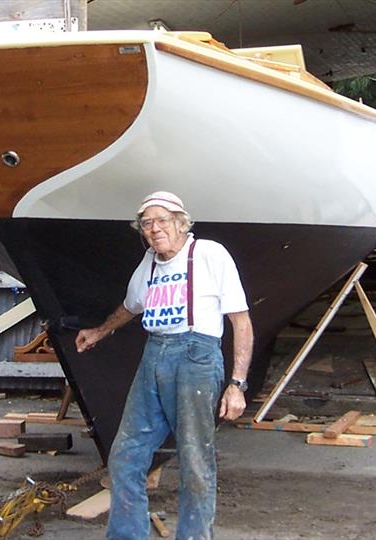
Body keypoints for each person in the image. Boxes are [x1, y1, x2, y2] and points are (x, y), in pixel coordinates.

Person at [75, 191, 254, 540]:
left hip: (196, 357)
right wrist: (100, 331)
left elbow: (241, 321)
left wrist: (238, 384)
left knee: (195, 460)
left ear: (181, 223)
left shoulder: (209, 254)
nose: (154, 230)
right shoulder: (150, 263)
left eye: (162, 221)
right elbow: (132, 306)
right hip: (154, 354)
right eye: (146, 224)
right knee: (125, 456)